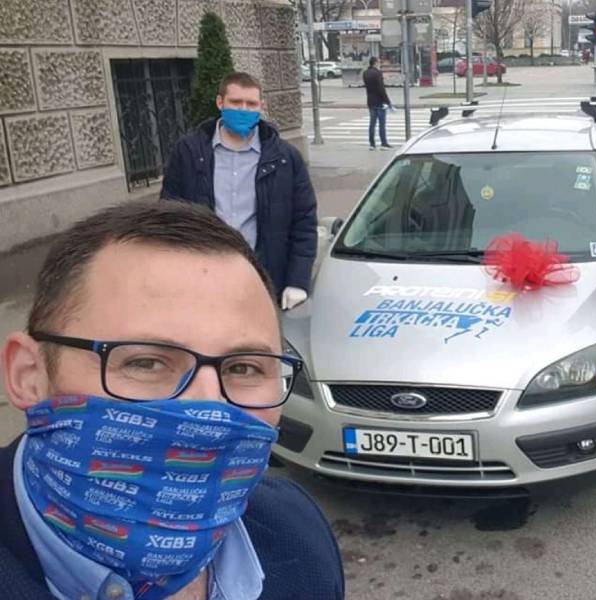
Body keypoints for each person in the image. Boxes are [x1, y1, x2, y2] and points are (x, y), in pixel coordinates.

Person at [0, 202, 345, 599]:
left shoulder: (300, 535)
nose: (210, 412)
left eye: (244, 368)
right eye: (146, 362)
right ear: (28, 374)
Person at [160, 72, 317, 312]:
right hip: (201, 275)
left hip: (261, 276)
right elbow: (168, 216)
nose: (243, 110)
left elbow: (304, 222)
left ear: (261, 106)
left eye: (251, 104)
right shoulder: (189, 152)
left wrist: (298, 281)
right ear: (220, 102)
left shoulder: (285, 158)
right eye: (236, 102)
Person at [362, 57, 392, 151]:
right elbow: (381, 88)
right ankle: (383, 143)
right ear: (375, 63)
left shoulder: (365, 73)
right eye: (379, 62)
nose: (379, 64)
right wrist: (387, 101)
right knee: (381, 123)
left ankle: (372, 144)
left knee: (372, 123)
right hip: (379, 101)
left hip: (370, 100)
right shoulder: (378, 73)